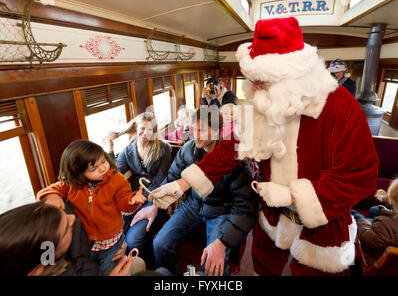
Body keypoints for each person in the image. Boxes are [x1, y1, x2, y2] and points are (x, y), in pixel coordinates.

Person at [149, 17, 380, 276]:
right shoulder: (261, 103)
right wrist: (182, 184)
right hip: (271, 223)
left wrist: (292, 195)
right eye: (253, 80)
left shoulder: (340, 106)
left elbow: (360, 176)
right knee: (262, 268)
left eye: (264, 81)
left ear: (295, 75)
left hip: (322, 230)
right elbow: (229, 151)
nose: (255, 88)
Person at [152, 107, 258, 276]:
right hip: (193, 205)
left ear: (217, 131)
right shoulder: (187, 150)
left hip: (220, 210)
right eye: (194, 130)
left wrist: (222, 242)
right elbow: (172, 178)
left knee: (214, 266)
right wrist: (154, 205)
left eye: (201, 130)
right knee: (160, 243)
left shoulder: (236, 160)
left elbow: (246, 207)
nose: (196, 136)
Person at [36, 140, 146, 276]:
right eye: (93, 168)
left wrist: (131, 201)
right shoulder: (72, 184)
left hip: (111, 242)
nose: (103, 168)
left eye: (104, 161)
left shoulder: (116, 179)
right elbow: (52, 188)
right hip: (86, 243)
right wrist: (51, 195)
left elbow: (123, 201)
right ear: (78, 173)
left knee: (107, 271)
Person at [0, 202, 137, 276]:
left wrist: (114, 239)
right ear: (36, 271)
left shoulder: (46, 253)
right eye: (67, 228)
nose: (73, 219)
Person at [103, 112, 172, 258]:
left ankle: (144, 264)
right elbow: (114, 174)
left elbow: (161, 179)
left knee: (133, 240)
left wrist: (142, 199)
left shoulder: (164, 149)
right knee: (117, 236)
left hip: (155, 198)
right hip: (132, 198)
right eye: (142, 128)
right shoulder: (128, 150)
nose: (145, 133)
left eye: (149, 129)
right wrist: (110, 150)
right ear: (135, 128)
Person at [357, 179, 398, 265]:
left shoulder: (384, 223)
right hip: (388, 230)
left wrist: (363, 221)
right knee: (374, 210)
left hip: (375, 260)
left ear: (390, 200)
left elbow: (369, 239)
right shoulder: (385, 223)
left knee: (357, 217)